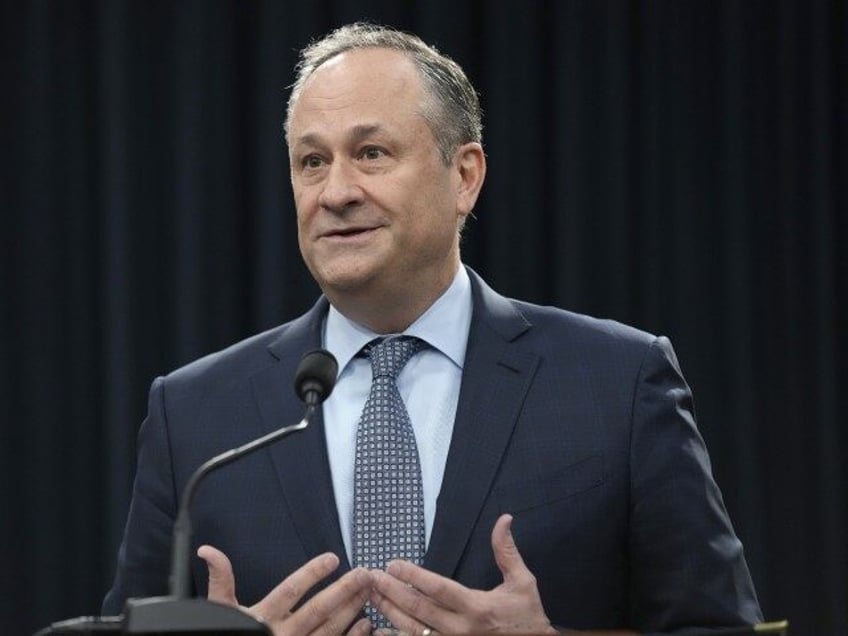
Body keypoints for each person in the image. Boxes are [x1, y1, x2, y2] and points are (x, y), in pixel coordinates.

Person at [103, 22, 762, 635]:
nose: (336, 192)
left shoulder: (617, 384)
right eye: (311, 162)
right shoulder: (194, 418)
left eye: (371, 152)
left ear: (465, 176)